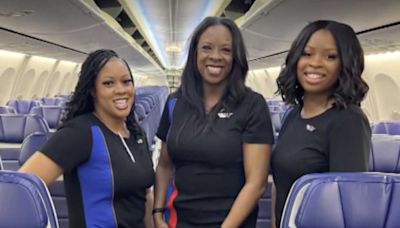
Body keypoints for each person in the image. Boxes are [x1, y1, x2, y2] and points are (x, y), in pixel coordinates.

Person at [153, 16, 274, 228]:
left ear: (235, 57)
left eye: (226, 50)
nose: (215, 56)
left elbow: (256, 183)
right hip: (178, 222)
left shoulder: (252, 105)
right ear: (195, 54)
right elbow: (164, 166)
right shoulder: (175, 103)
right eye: (207, 48)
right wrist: (157, 213)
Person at [20, 49, 155, 228]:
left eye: (126, 81)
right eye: (108, 83)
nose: (121, 90)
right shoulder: (80, 133)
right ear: (92, 90)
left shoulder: (137, 133)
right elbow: (22, 189)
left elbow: (145, 196)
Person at [271, 20, 371, 227]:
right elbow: (280, 186)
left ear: (345, 64)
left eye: (330, 56)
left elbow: (348, 206)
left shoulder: (348, 121)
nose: (315, 63)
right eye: (307, 54)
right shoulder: (293, 115)